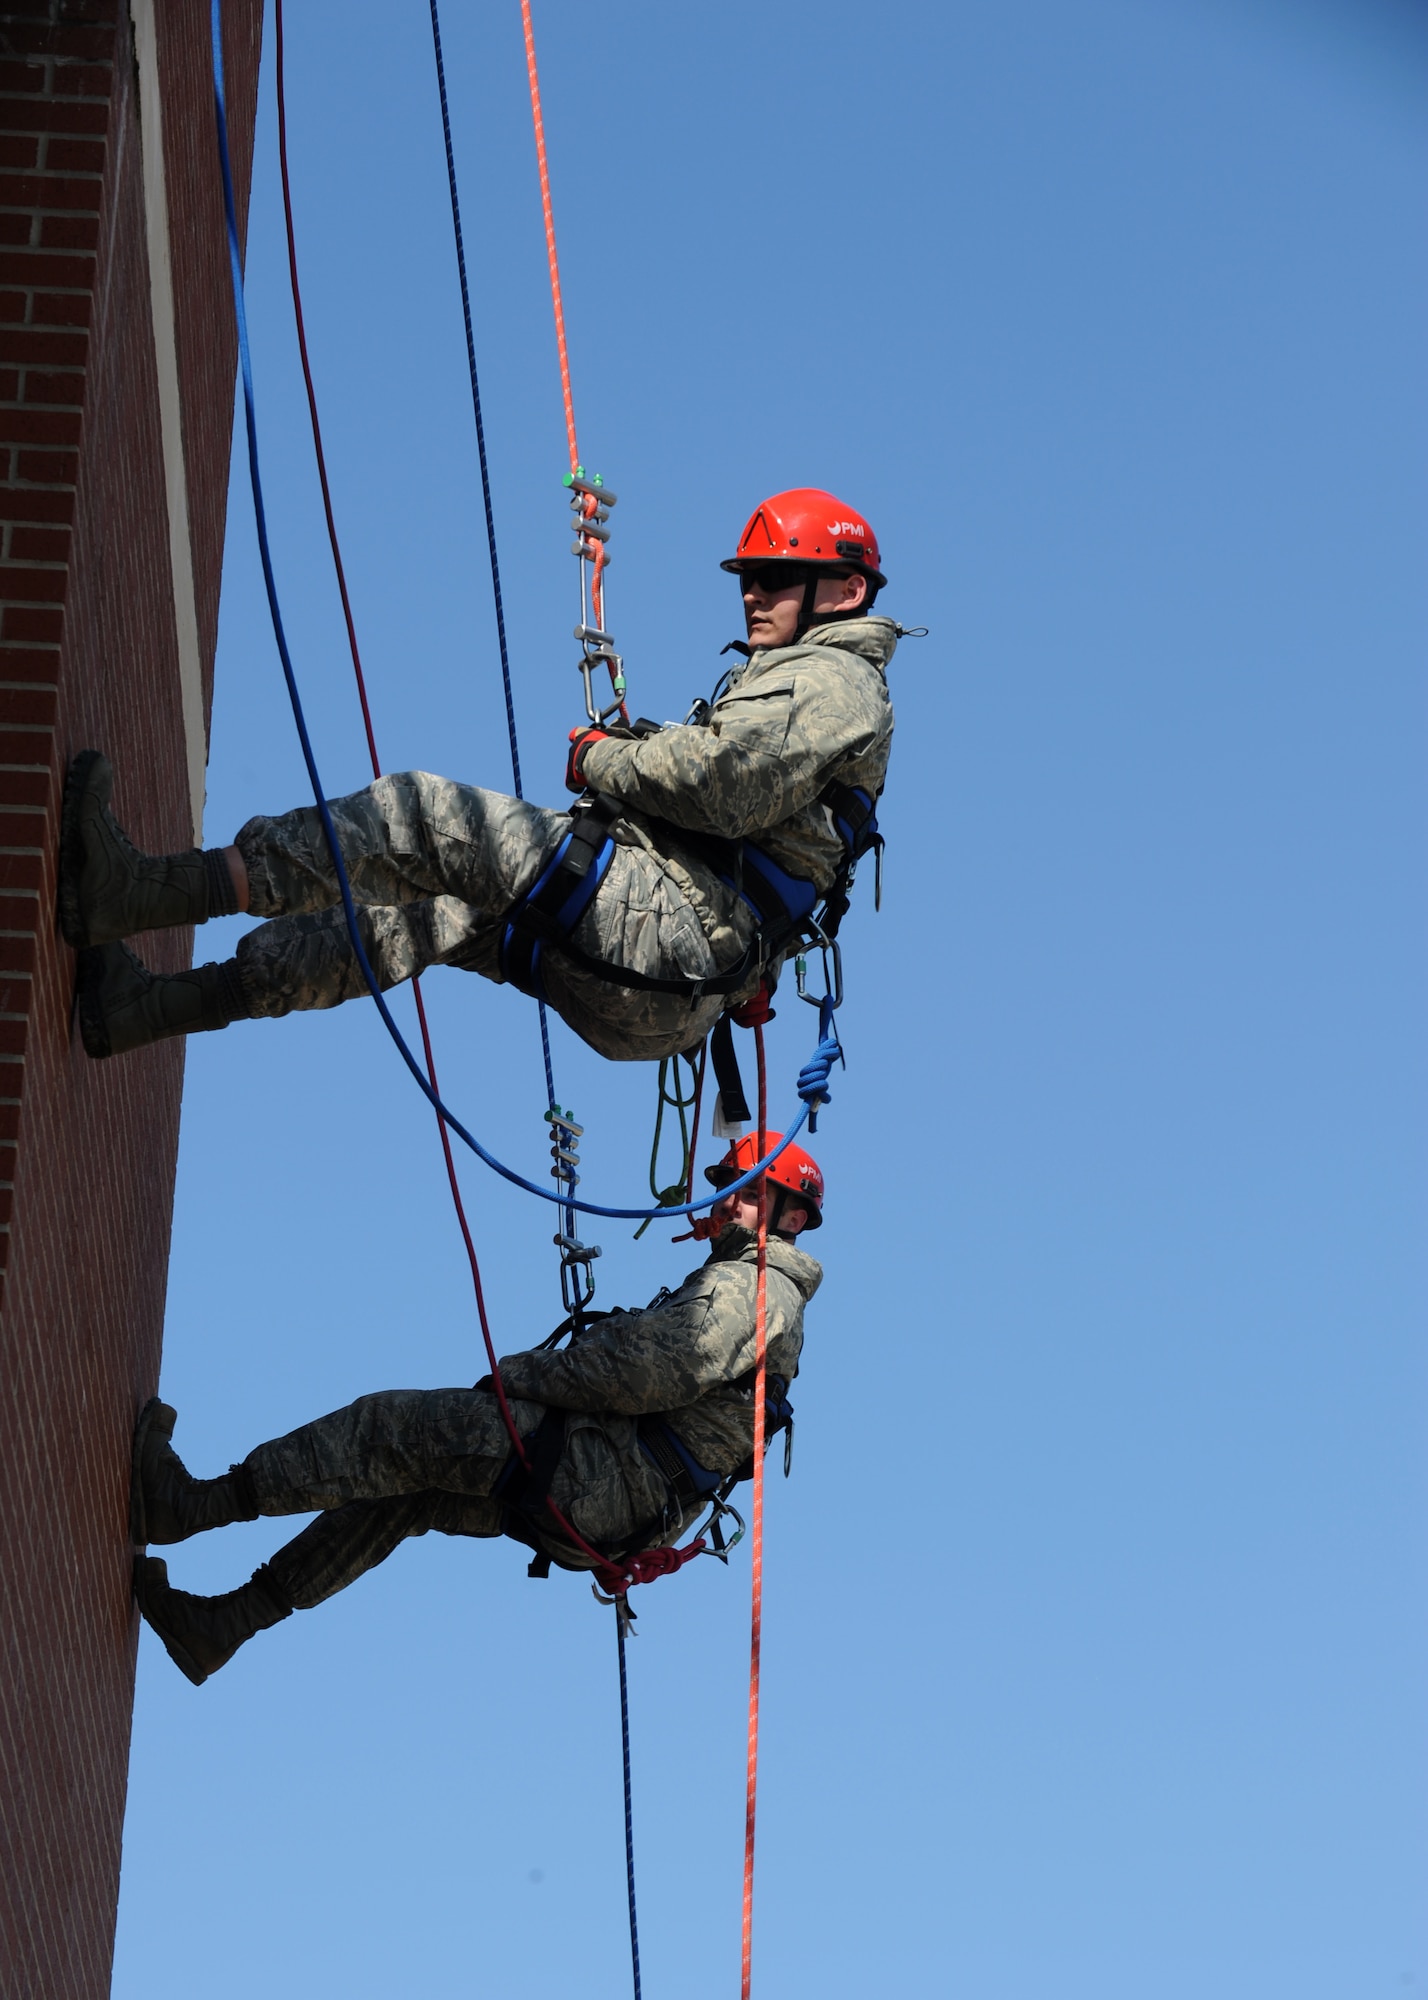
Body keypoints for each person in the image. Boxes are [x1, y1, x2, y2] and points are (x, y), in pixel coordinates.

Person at [62, 490, 896, 1065]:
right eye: (748, 579)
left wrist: (600, 757)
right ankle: (149, 1010)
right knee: (418, 916)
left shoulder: (836, 679)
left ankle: (141, 892)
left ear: (844, 589)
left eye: (776, 578)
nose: (753, 595)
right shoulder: (811, 689)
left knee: (422, 819)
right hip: (671, 977)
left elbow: (725, 783)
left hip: (666, 934)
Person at [131, 1136, 824, 1684]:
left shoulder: (757, 1288)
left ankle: (191, 1506)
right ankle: (223, 1627)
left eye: (751, 1191)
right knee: (401, 1496)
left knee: (387, 1432)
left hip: (594, 1474)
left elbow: (647, 1370)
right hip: (607, 1499)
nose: (730, 1200)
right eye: (731, 1186)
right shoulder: (745, 1286)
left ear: (792, 1217)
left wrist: (521, 1376)